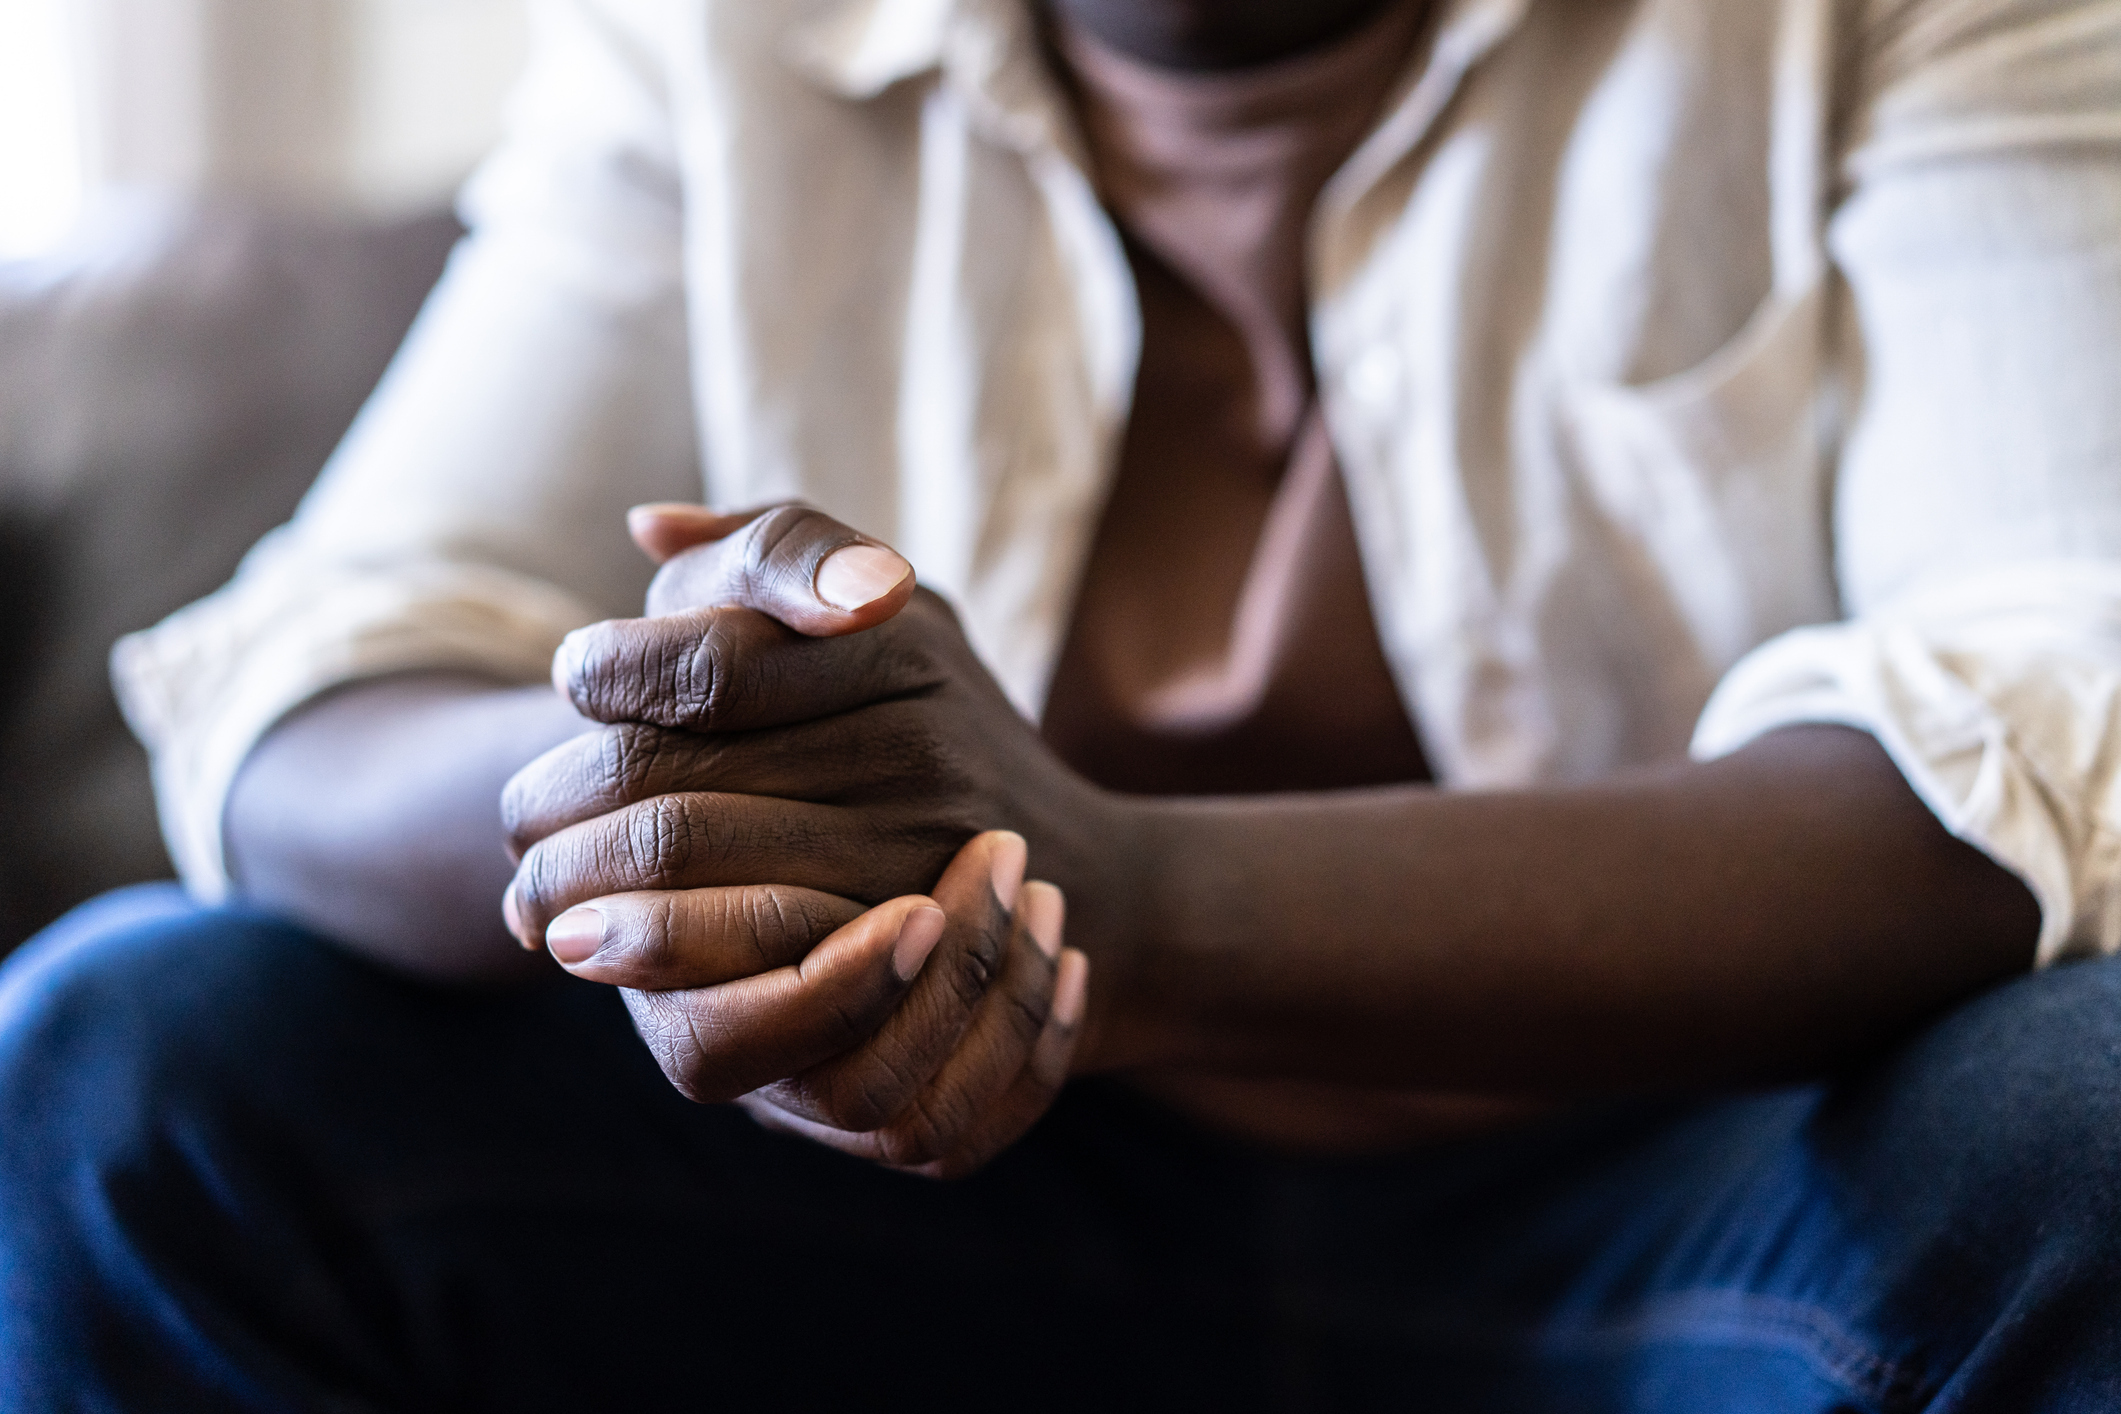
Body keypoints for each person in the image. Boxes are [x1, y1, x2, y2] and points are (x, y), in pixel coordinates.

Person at [5, 0, 2121, 1405]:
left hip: (1679, 1184)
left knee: (2085, 1110)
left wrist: (1101, 895)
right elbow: (322, 679)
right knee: (132, 1056)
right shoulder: (728, 41)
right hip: (935, 1210)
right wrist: (706, 822)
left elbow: (2039, 705)